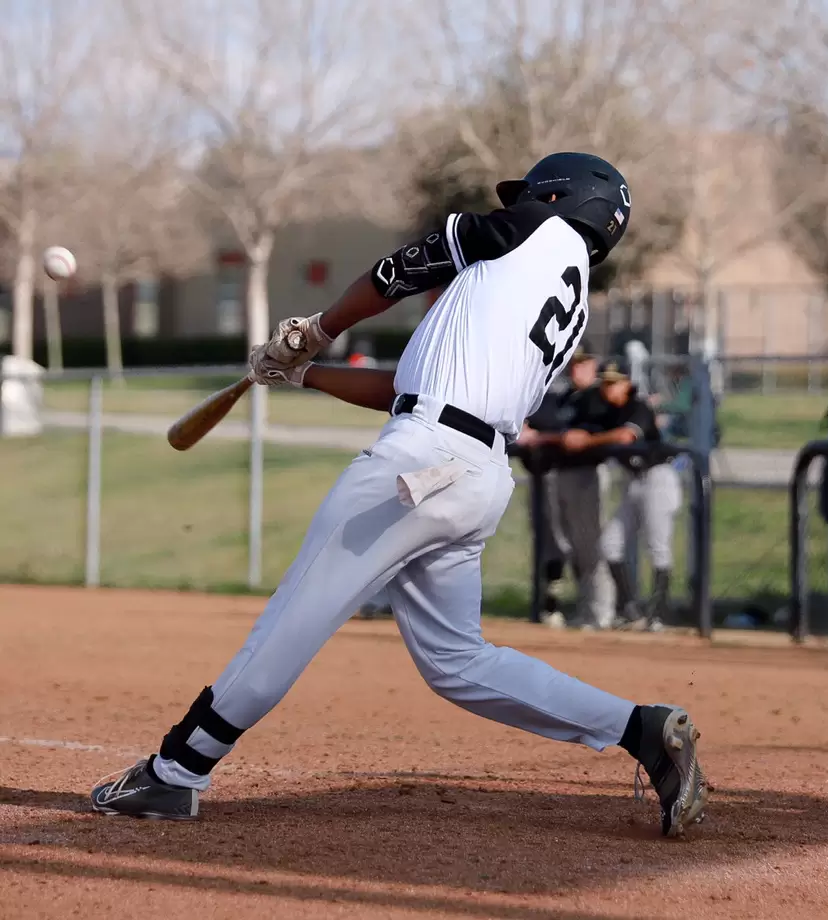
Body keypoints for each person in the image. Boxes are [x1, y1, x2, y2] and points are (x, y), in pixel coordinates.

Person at [89, 152, 709, 837]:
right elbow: (407, 387)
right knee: (458, 661)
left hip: (423, 462)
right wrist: (302, 373)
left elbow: (398, 271)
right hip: (471, 473)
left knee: (294, 619)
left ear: (560, 197)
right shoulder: (557, 293)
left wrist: (319, 326)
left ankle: (176, 772)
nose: (516, 204)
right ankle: (641, 730)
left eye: (532, 195)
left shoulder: (535, 229)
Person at [563, 363, 682, 631]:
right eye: (605, 382)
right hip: (633, 480)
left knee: (658, 546)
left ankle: (659, 613)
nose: (609, 387)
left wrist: (587, 441)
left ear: (627, 384)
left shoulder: (637, 406)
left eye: (614, 382)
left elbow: (626, 436)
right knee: (610, 544)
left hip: (658, 477)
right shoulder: (608, 411)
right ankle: (630, 609)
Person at [516, 347, 614, 629]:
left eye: (583, 364)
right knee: (561, 544)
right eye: (574, 364)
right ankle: (578, 609)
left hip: (586, 475)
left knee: (589, 545)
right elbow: (538, 423)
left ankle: (600, 611)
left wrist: (545, 435)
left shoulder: (598, 398)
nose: (576, 369)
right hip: (558, 474)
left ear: (594, 364)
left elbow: (582, 433)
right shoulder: (563, 397)